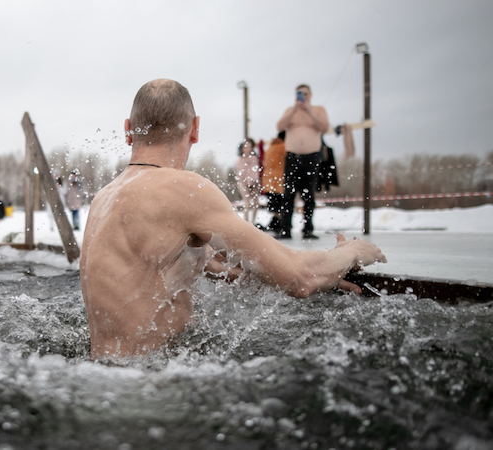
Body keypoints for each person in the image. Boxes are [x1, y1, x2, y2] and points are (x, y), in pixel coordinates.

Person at [79, 79, 386, 359]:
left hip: (106, 374)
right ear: (195, 129)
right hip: (153, 383)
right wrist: (352, 252)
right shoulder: (182, 189)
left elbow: (213, 263)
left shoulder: (103, 198)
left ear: (128, 128)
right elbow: (299, 277)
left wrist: (327, 274)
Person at [276, 84, 329, 240]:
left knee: (309, 194)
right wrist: (294, 109)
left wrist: (309, 111)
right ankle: (285, 229)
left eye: (305, 94)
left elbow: (324, 127)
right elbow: (279, 127)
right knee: (288, 194)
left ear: (310, 95)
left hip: (311, 157)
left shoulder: (318, 110)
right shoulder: (290, 111)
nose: (303, 97)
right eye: (300, 94)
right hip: (292, 157)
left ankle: (307, 229)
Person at [261, 131, 287, 235]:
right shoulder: (283, 146)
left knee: (275, 205)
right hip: (278, 179)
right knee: (281, 204)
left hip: (268, 180)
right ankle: (278, 225)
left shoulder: (271, 146)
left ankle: (274, 223)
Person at [235, 138, 260, 224]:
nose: (248, 149)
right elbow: (241, 174)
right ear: (242, 149)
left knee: (256, 203)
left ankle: (253, 222)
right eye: (246, 147)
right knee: (247, 203)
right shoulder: (240, 160)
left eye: (250, 147)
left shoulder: (254, 158)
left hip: (254, 182)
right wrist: (247, 183)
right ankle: (246, 223)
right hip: (243, 183)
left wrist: (253, 182)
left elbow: (255, 172)